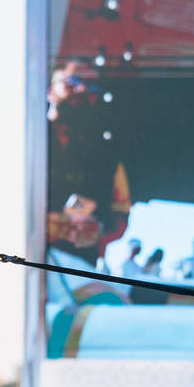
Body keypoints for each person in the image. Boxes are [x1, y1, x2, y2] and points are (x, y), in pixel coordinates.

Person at [47, 61, 131, 266]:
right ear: (50, 90)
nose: (82, 90)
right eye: (72, 81)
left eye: (91, 86)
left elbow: (121, 216)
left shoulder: (108, 157)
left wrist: (97, 232)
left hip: (76, 266)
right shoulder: (24, 141)